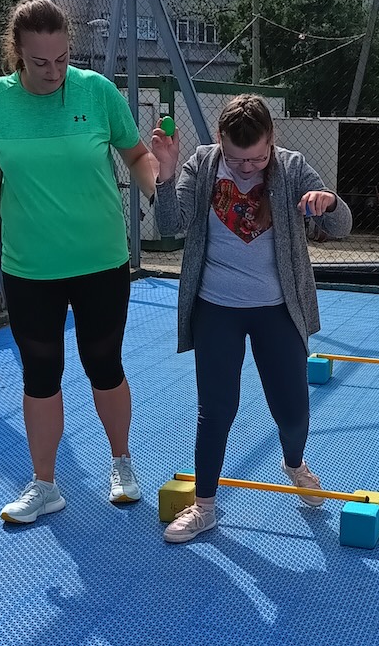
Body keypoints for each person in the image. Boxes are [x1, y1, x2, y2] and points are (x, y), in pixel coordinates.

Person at [0, 0, 159, 523]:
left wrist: (159, 181)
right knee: (40, 372)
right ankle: (45, 484)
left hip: (101, 260)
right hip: (29, 267)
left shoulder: (97, 92)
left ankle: (122, 463)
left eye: (62, 58)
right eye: (40, 62)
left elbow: (137, 156)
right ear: (17, 54)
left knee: (104, 363)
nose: (53, 71)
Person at [150, 93, 352, 543]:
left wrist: (328, 202)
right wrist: (165, 173)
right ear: (220, 140)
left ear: (272, 140)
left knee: (293, 411)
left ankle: (294, 463)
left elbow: (341, 227)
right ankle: (204, 506)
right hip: (216, 308)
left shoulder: (291, 167)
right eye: (237, 159)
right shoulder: (202, 166)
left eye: (257, 158)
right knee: (215, 409)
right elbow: (169, 226)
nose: (246, 168)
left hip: (277, 308)